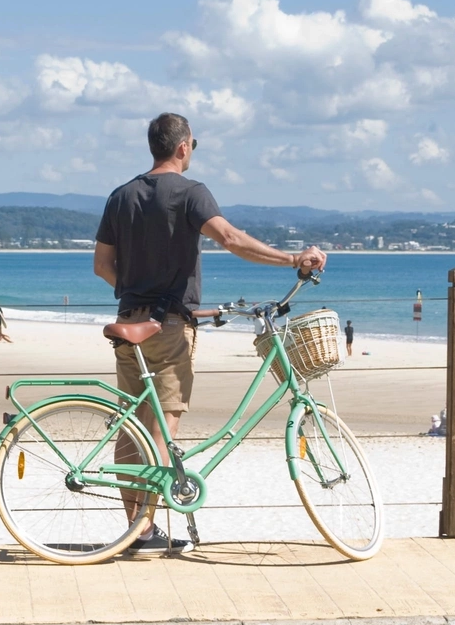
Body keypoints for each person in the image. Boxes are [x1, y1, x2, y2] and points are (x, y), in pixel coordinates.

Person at [94, 112, 327, 555]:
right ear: (183, 147)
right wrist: (292, 257)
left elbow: (103, 266)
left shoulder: (120, 196)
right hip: (167, 329)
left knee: (133, 429)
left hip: (130, 324)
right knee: (162, 430)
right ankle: (142, 530)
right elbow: (231, 238)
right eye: (193, 146)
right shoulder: (189, 193)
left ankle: (136, 529)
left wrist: (138, 297)